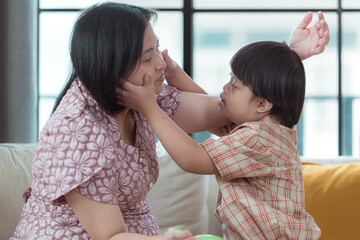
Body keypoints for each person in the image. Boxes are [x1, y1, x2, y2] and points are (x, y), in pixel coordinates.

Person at [11, 1, 328, 239]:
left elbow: (227, 112)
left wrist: (287, 59)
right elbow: (108, 235)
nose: (163, 63)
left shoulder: (143, 94)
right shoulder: (75, 133)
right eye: (149, 57)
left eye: (158, 49)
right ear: (116, 67)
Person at [121, 18, 329, 239]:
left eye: (235, 85)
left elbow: (192, 159)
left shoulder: (257, 138)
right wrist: (176, 75)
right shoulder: (264, 128)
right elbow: (214, 112)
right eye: (229, 78)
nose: (225, 88)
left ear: (262, 104)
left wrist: (150, 109)